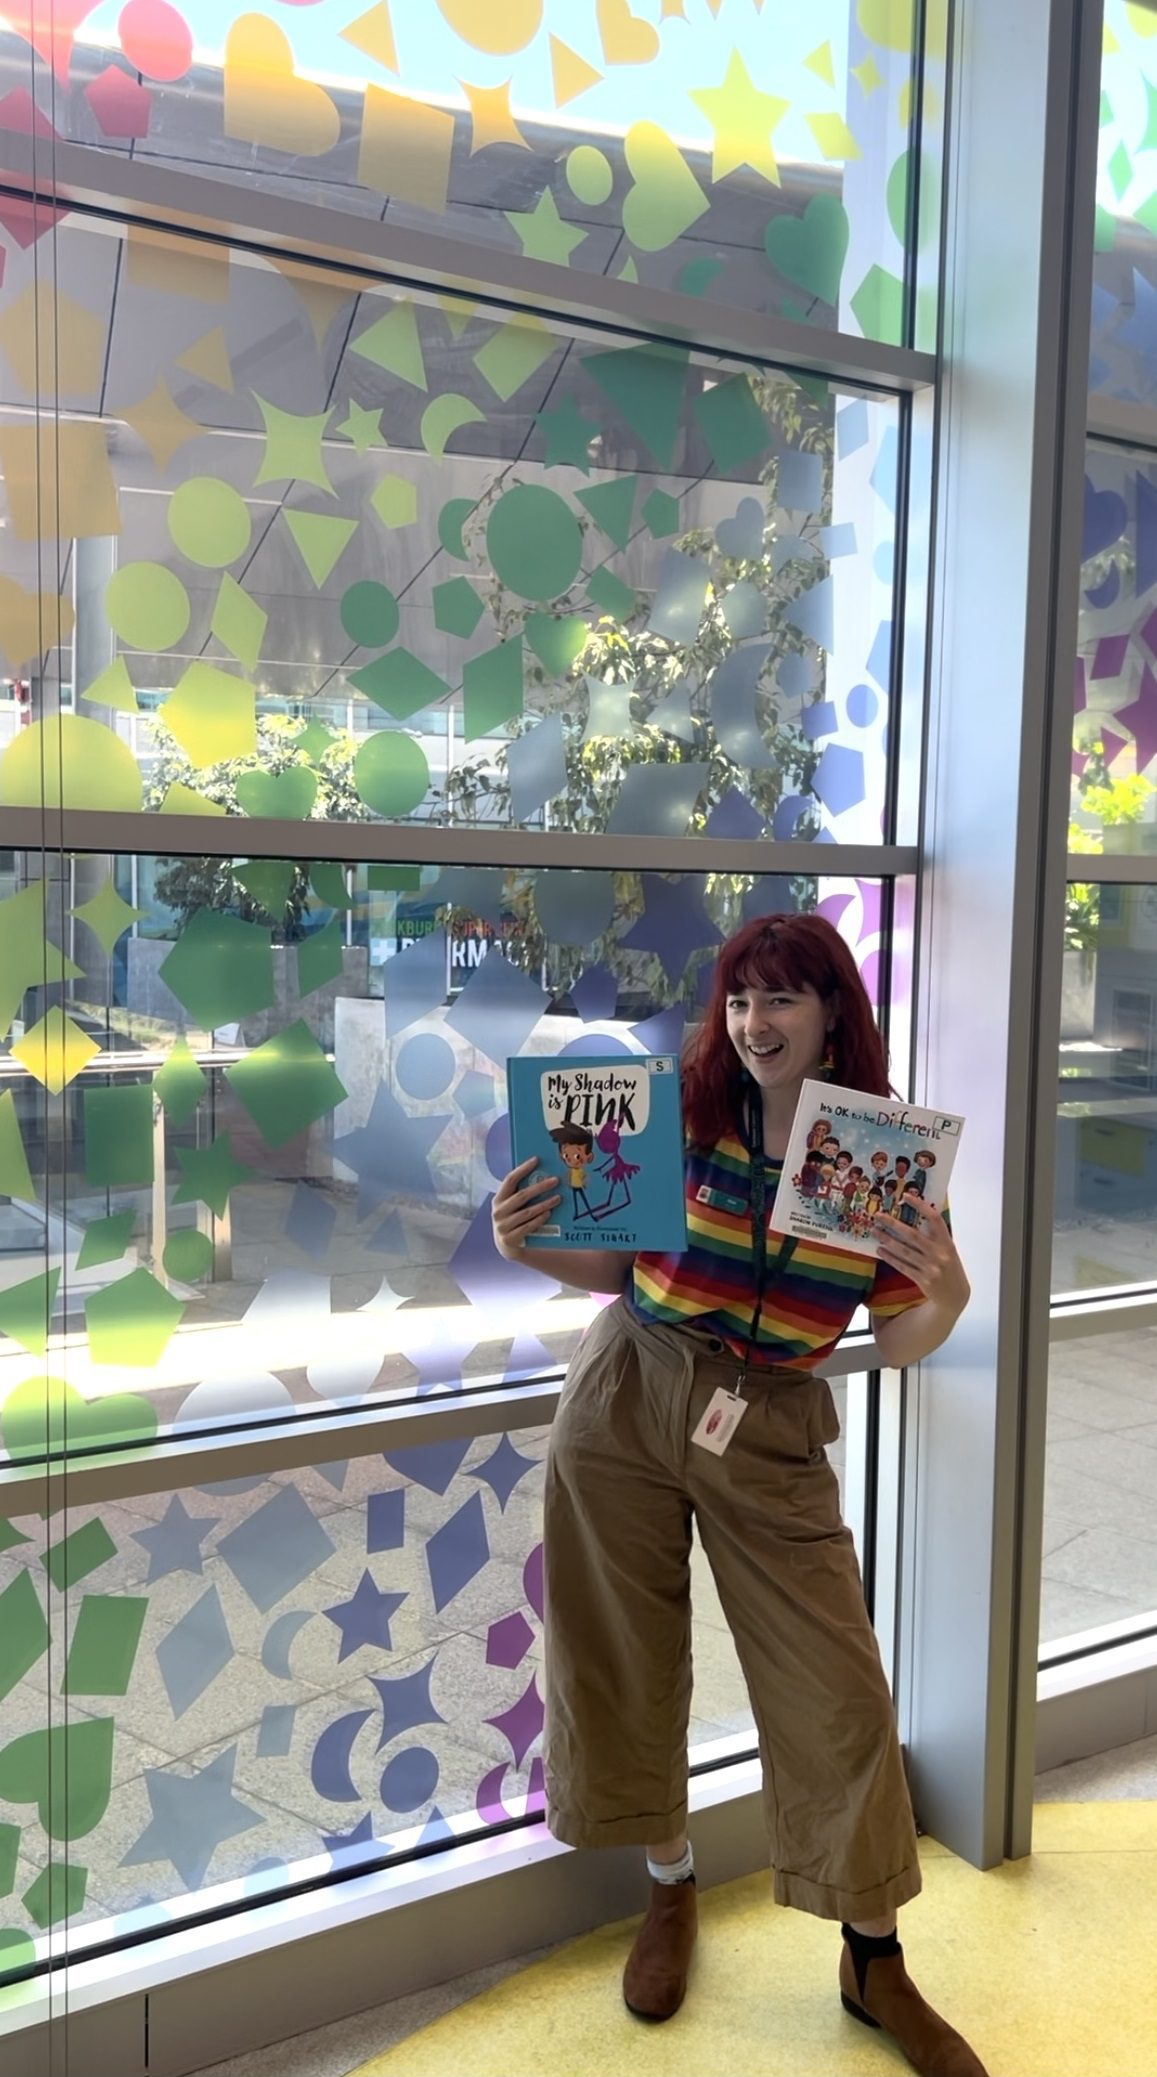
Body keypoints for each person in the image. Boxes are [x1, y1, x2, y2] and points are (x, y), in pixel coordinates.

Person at [492, 913, 982, 2077]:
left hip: (768, 1421)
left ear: (830, 1013)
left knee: (838, 1691)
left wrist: (947, 1290)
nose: (755, 1022)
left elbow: (898, 1338)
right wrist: (524, 1247)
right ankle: (668, 1887)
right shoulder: (684, 1112)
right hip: (627, 1391)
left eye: (781, 998)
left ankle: (872, 1959)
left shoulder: (871, 1150)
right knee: (622, 1657)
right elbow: (613, 1267)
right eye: (741, 998)